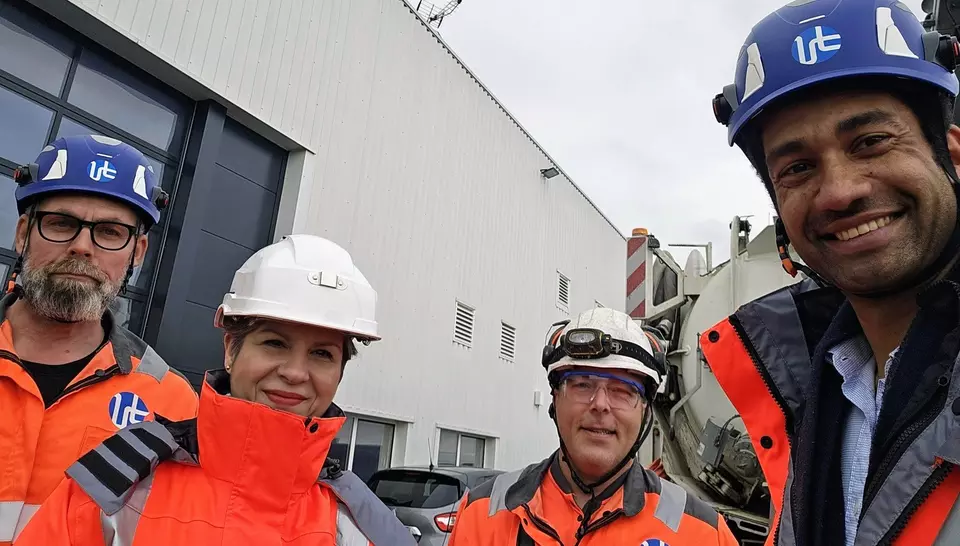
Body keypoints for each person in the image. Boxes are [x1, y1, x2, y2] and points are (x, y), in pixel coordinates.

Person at [706, 1, 960, 544]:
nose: (841, 190)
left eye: (870, 141)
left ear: (952, 154)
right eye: (798, 167)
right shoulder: (819, 397)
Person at [14, 234, 417, 545]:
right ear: (231, 348)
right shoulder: (122, 480)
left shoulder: (364, 523)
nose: (296, 372)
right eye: (274, 343)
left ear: (340, 372)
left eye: (322, 354)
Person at [0, 135, 198, 544]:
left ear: (137, 253)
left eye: (109, 232)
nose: (81, 247)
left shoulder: (173, 404)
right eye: (61, 223)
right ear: (23, 234)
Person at [448, 308, 739, 545]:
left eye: (623, 390)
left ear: (645, 410)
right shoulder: (481, 514)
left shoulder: (703, 533)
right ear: (555, 400)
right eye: (582, 384)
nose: (600, 404)